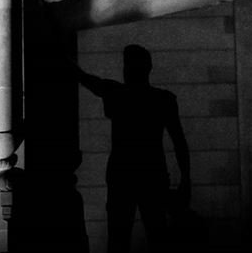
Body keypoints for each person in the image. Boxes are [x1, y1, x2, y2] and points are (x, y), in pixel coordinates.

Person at [70, 45, 190, 253]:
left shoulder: (117, 93)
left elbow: (84, 78)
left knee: (118, 239)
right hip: (152, 176)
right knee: (157, 235)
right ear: (148, 68)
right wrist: (186, 179)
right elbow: (179, 141)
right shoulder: (163, 100)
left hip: (122, 176)